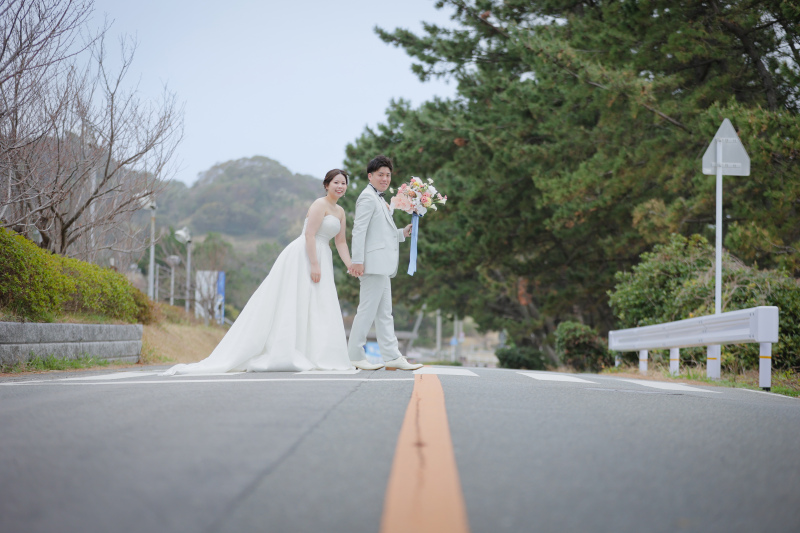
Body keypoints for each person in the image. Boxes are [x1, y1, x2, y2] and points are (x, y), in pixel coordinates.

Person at [162, 169, 354, 375]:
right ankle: (284, 349)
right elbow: (309, 235)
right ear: (327, 185)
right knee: (294, 299)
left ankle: (315, 353)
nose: (340, 186)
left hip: (323, 255)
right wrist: (314, 264)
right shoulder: (319, 204)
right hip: (305, 255)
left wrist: (350, 264)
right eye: (336, 182)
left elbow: (340, 241)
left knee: (318, 303)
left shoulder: (340, 211)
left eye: (343, 183)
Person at [347, 155, 423, 371]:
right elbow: (359, 231)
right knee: (367, 311)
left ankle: (392, 356)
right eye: (380, 174)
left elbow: (379, 233)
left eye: (388, 175)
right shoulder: (367, 198)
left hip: (382, 264)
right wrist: (358, 261)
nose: (385, 178)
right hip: (372, 265)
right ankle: (354, 355)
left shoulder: (379, 198)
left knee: (384, 313)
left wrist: (402, 233)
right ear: (370, 176)